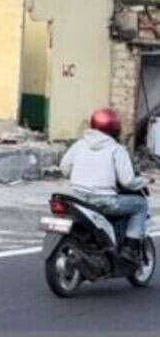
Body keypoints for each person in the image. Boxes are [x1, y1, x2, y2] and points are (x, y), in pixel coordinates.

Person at [61, 107, 149, 263]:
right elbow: (127, 181)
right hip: (104, 201)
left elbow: (64, 168)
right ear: (115, 128)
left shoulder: (80, 144)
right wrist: (144, 181)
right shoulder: (116, 149)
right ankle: (130, 245)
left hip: (79, 199)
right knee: (141, 204)